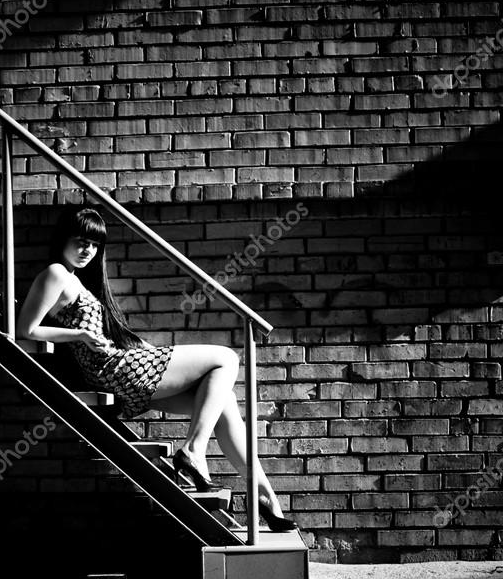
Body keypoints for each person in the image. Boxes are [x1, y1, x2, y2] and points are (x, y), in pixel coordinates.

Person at [17, 207, 297, 532]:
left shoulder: (77, 280)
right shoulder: (55, 274)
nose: (86, 251)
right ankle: (193, 451)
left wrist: (135, 346)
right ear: (62, 240)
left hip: (120, 368)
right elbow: (26, 330)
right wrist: (77, 335)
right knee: (226, 358)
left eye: (93, 245)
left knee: (224, 403)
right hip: (114, 371)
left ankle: (265, 498)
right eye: (80, 241)